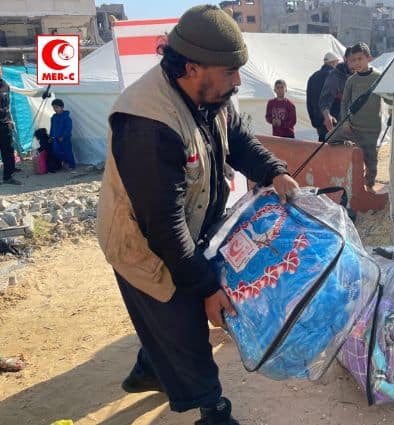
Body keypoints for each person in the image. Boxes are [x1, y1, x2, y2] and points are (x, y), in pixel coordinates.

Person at [96, 5, 299, 425]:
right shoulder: (147, 124)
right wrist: (207, 289)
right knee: (188, 326)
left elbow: (237, 139)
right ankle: (214, 412)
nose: (238, 81)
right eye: (231, 72)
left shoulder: (211, 94)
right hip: (143, 245)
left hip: (186, 231)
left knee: (167, 323)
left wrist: (274, 172)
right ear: (191, 68)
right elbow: (164, 230)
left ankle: (150, 368)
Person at [337, 42, 382, 193]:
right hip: (353, 127)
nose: (357, 63)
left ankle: (369, 185)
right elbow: (344, 102)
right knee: (354, 157)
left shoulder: (379, 78)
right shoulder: (351, 80)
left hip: (372, 128)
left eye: (360, 59)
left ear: (369, 58)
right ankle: (353, 185)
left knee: (371, 158)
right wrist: (345, 122)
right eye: (353, 60)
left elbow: (388, 99)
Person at [306, 52, 339, 141]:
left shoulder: (312, 77)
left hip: (318, 122)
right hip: (333, 121)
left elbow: (309, 102)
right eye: (337, 62)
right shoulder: (334, 76)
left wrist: (315, 120)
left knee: (322, 146)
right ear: (333, 63)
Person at [319, 47, 353, 134]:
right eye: (352, 60)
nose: (355, 63)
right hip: (339, 123)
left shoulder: (365, 75)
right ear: (345, 59)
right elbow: (325, 99)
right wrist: (327, 115)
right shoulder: (335, 76)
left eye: (359, 59)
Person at [0, 67, 21, 185]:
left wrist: (10, 120)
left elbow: (7, 106)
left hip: (5, 124)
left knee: (8, 150)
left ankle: (8, 175)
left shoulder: (5, 85)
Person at [49, 98, 75, 170]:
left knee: (67, 151)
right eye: (54, 107)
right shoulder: (53, 117)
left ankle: (71, 165)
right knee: (56, 151)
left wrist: (63, 136)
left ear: (62, 107)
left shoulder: (67, 118)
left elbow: (68, 128)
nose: (55, 109)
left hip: (65, 139)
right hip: (56, 138)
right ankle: (64, 162)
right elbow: (52, 127)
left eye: (57, 107)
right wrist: (51, 136)